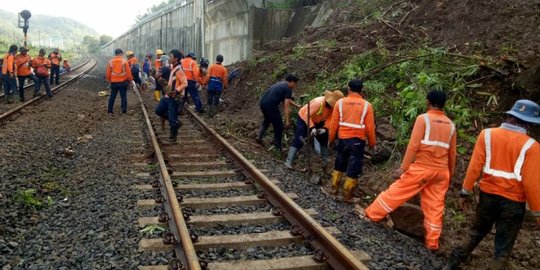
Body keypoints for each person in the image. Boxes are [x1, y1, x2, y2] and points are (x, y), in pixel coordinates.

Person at [444, 100, 540, 270]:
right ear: (530, 123)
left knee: (475, 232)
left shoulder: (486, 134)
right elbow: (532, 184)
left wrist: (464, 192)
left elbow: (474, 167)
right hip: (513, 203)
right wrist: (537, 212)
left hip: (487, 197)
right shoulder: (532, 147)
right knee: (502, 249)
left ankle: (450, 265)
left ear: (509, 116)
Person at [361, 90, 456, 250]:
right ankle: (432, 242)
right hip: (441, 172)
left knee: (397, 192)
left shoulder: (423, 119)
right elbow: (452, 154)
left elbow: (413, 146)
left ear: (428, 101)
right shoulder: (451, 125)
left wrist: (403, 168)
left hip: (422, 168)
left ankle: (372, 214)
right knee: (435, 206)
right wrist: (449, 175)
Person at [324, 79, 376, 203]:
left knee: (339, 163)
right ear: (361, 90)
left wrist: (330, 140)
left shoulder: (340, 103)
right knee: (353, 167)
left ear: (348, 89)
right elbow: (370, 127)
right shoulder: (367, 105)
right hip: (358, 141)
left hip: (343, 139)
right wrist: (372, 143)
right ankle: (347, 196)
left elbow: (334, 125)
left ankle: (333, 190)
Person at [284, 90, 344, 170]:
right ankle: (289, 161)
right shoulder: (318, 102)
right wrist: (312, 128)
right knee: (300, 138)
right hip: (304, 117)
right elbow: (307, 115)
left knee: (324, 138)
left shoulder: (333, 109)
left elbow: (330, 120)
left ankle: (324, 162)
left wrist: (325, 129)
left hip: (318, 120)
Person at [256, 74, 299, 151]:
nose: (295, 86)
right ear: (292, 82)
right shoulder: (288, 89)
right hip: (271, 105)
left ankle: (259, 137)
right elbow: (286, 105)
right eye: (295, 84)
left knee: (267, 120)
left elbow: (287, 99)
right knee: (279, 126)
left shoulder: (280, 84)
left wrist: (296, 105)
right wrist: (287, 121)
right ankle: (277, 147)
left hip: (263, 103)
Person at [155, 49, 188, 142]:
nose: (169, 58)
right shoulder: (173, 67)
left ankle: (173, 138)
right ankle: (176, 123)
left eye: (171, 57)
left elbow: (185, 83)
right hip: (168, 95)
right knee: (159, 110)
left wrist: (176, 91)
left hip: (174, 97)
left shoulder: (178, 69)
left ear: (176, 59)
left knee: (172, 118)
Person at [106, 48, 133, 115]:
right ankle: (123, 111)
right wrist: (130, 80)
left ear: (115, 54)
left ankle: (110, 111)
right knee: (123, 96)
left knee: (112, 96)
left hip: (114, 82)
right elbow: (128, 72)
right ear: (120, 54)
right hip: (123, 82)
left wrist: (110, 80)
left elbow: (108, 73)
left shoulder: (111, 62)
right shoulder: (124, 61)